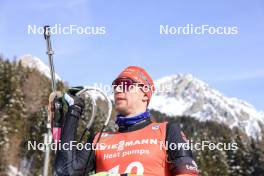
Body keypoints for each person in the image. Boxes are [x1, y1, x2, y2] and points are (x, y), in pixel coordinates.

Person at [51, 66, 199, 176]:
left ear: (145, 95)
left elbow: (188, 172)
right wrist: (73, 113)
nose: (119, 90)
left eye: (126, 84)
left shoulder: (166, 131)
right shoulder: (99, 139)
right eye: (116, 86)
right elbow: (65, 172)